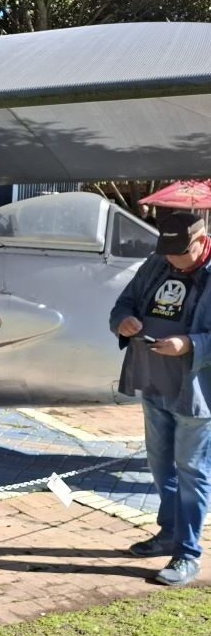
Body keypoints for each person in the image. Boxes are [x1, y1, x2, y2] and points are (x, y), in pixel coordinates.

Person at [109, 211, 211, 587]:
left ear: (201, 242)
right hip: (153, 381)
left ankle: (187, 554)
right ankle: (169, 533)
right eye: (166, 251)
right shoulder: (156, 263)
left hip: (196, 394)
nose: (171, 259)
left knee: (192, 471)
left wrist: (190, 344)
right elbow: (123, 304)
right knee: (160, 466)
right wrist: (123, 322)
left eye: (179, 253)